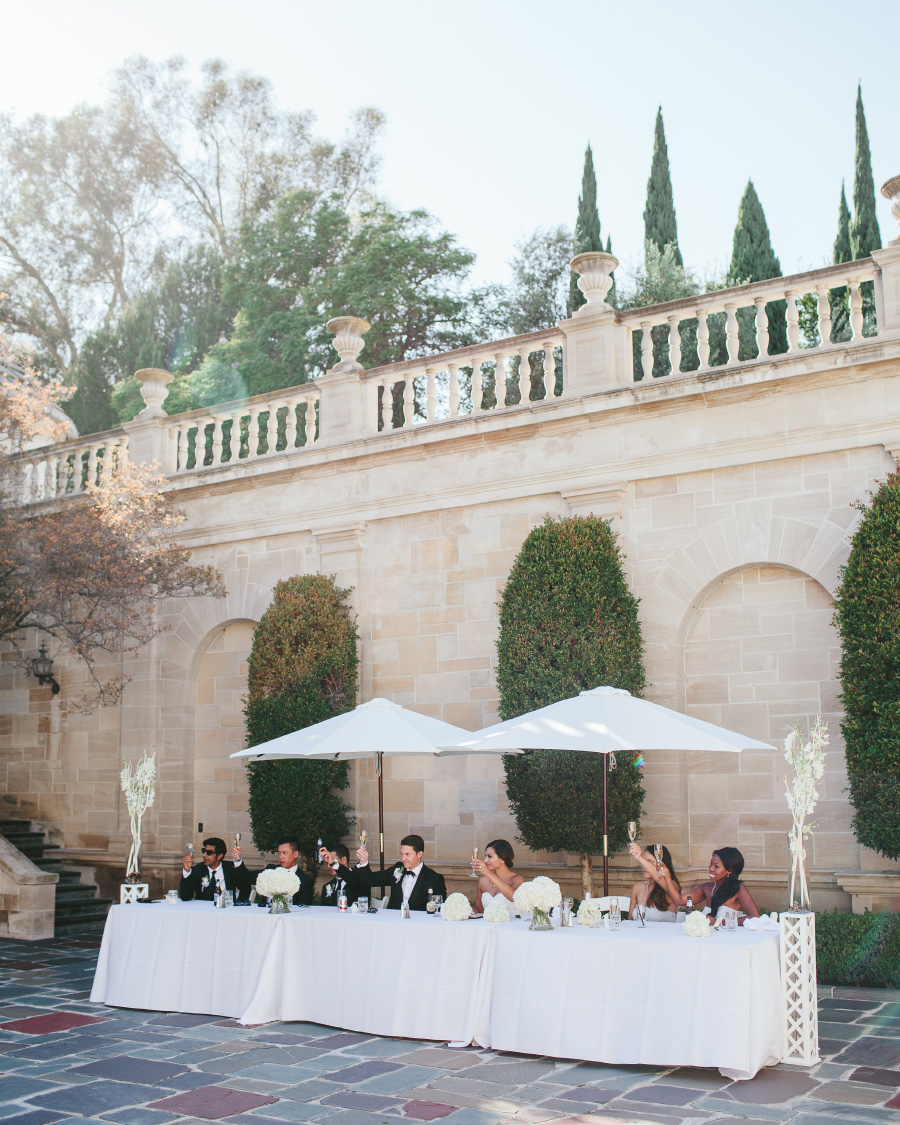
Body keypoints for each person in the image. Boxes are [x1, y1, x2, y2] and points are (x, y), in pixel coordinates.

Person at [656, 845, 760, 924]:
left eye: (716, 866)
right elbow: (679, 901)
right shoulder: (707, 888)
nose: (710, 868)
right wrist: (667, 876)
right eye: (711, 864)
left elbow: (754, 917)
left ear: (729, 870)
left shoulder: (738, 889)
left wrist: (718, 922)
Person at [355, 833, 446, 911]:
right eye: (401, 854)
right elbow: (370, 880)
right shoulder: (398, 868)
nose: (403, 858)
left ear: (419, 854)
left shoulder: (434, 879)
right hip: (394, 923)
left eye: (407, 854)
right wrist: (363, 861)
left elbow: (439, 909)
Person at [241, 837, 315, 906]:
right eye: (279, 853)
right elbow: (247, 877)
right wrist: (238, 860)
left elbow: (303, 910)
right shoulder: (271, 870)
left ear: (295, 854)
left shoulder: (305, 881)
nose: (281, 857)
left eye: (284, 853)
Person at [179, 837, 252, 902]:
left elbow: (245, 888)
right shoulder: (198, 869)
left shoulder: (231, 868)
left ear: (219, 856)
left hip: (226, 911)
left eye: (209, 852)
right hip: (203, 912)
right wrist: (187, 871)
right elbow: (185, 897)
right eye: (203, 851)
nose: (204, 855)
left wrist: (237, 903)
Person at [626, 842, 681, 921]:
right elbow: (630, 921)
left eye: (649, 862)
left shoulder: (671, 885)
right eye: (643, 862)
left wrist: (639, 858)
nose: (644, 866)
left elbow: (659, 878)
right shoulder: (638, 887)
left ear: (662, 864)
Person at [471, 839, 523, 914]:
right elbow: (479, 911)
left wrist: (488, 873)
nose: (485, 860)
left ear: (502, 858)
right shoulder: (483, 881)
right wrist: (465, 907)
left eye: (490, 856)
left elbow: (513, 897)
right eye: (486, 856)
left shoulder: (517, 879)